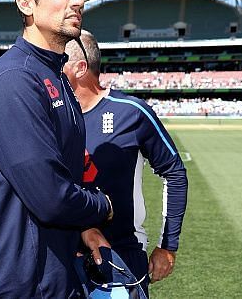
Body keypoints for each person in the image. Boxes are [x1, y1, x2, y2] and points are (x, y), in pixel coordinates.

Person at [0, 0, 113, 298]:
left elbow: (63, 177)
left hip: (56, 275)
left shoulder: (55, 76)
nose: (77, 1)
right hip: (17, 284)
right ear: (25, 4)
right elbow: (50, 197)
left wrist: (84, 228)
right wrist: (102, 206)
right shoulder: (14, 80)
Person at [64, 31, 188, 297]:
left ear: (79, 68)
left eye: (57, 61)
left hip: (122, 256)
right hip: (60, 255)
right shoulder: (51, 117)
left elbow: (174, 173)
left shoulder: (131, 112)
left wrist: (168, 244)